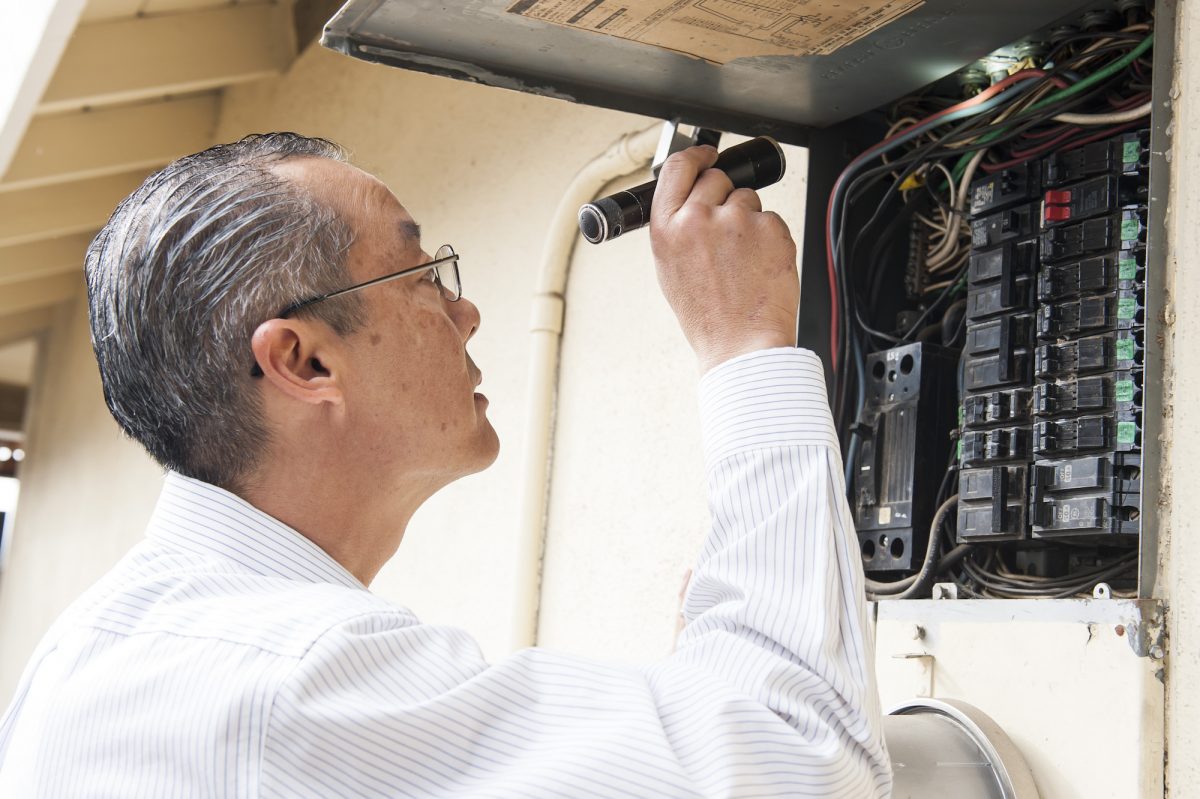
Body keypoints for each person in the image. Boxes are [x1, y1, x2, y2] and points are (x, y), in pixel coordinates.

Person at [0, 133, 891, 797]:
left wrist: (700, 691)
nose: (465, 315)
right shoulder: (293, 679)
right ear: (304, 362)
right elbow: (808, 759)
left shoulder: (103, 654)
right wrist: (746, 344)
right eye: (423, 275)